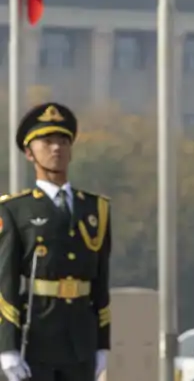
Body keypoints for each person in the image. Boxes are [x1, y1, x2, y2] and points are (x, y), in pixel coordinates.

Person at [0, 103, 111, 381]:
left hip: (81, 339)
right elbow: (6, 281)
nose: (56, 148)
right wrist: (7, 346)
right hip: (36, 335)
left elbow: (101, 281)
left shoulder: (95, 209)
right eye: (47, 141)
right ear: (29, 153)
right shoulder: (15, 210)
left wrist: (102, 342)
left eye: (63, 141)